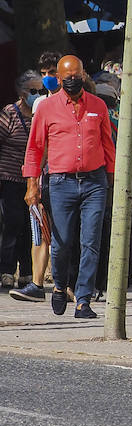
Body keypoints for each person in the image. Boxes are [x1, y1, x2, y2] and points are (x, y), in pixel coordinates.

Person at [22, 55, 116, 319]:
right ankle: (60, 286)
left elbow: (108, 146)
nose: (73, 80)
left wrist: (112, 179)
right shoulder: (47, 108)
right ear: (59, 79)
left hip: (94, 182)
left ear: (84, 75)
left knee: (91, 242)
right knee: (62, 244)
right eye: (68, 77)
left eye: (78, 75)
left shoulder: (98, 106)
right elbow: (35, 149)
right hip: (60, 183)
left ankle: (83, 300)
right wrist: (32, 185)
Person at [1, 71, 41, 295]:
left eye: (40, 91)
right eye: (33, 91)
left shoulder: (40, 113)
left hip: (32, 180)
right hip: (10, 178)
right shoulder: (9, 113)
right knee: (13, 222)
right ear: (21, 92)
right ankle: (6, 270)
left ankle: (26, 271)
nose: (37, 95)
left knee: (29, 226)